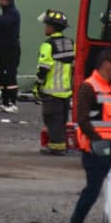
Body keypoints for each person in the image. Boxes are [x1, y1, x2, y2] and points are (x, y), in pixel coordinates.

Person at [66, 50, 111, 223]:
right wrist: (98, 141)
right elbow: (82, 119)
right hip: (96, 150)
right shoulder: (88, 87)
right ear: (105, 64)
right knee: (92, 191)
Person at [36, 9, 74, 156]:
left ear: (52, 27)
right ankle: (59, 145)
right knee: (62, 120)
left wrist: (37, 85)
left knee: (52, 120)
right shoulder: (71, 43)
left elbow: (43, 69)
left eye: (47, 25)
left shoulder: (48, 45)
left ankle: (56, 148)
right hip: (65, 91)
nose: (45, 28)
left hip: (51, 91)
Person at [0, 0, 21, 112]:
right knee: (2, 75)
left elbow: (6, 22)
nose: (0, 2)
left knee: (10, 75)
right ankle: (4, 102)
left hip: (11, 50)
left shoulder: (13, 13)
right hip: (2, 49)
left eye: (2, 0)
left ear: (8, 1)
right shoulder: (7, 13)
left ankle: (12, 103)